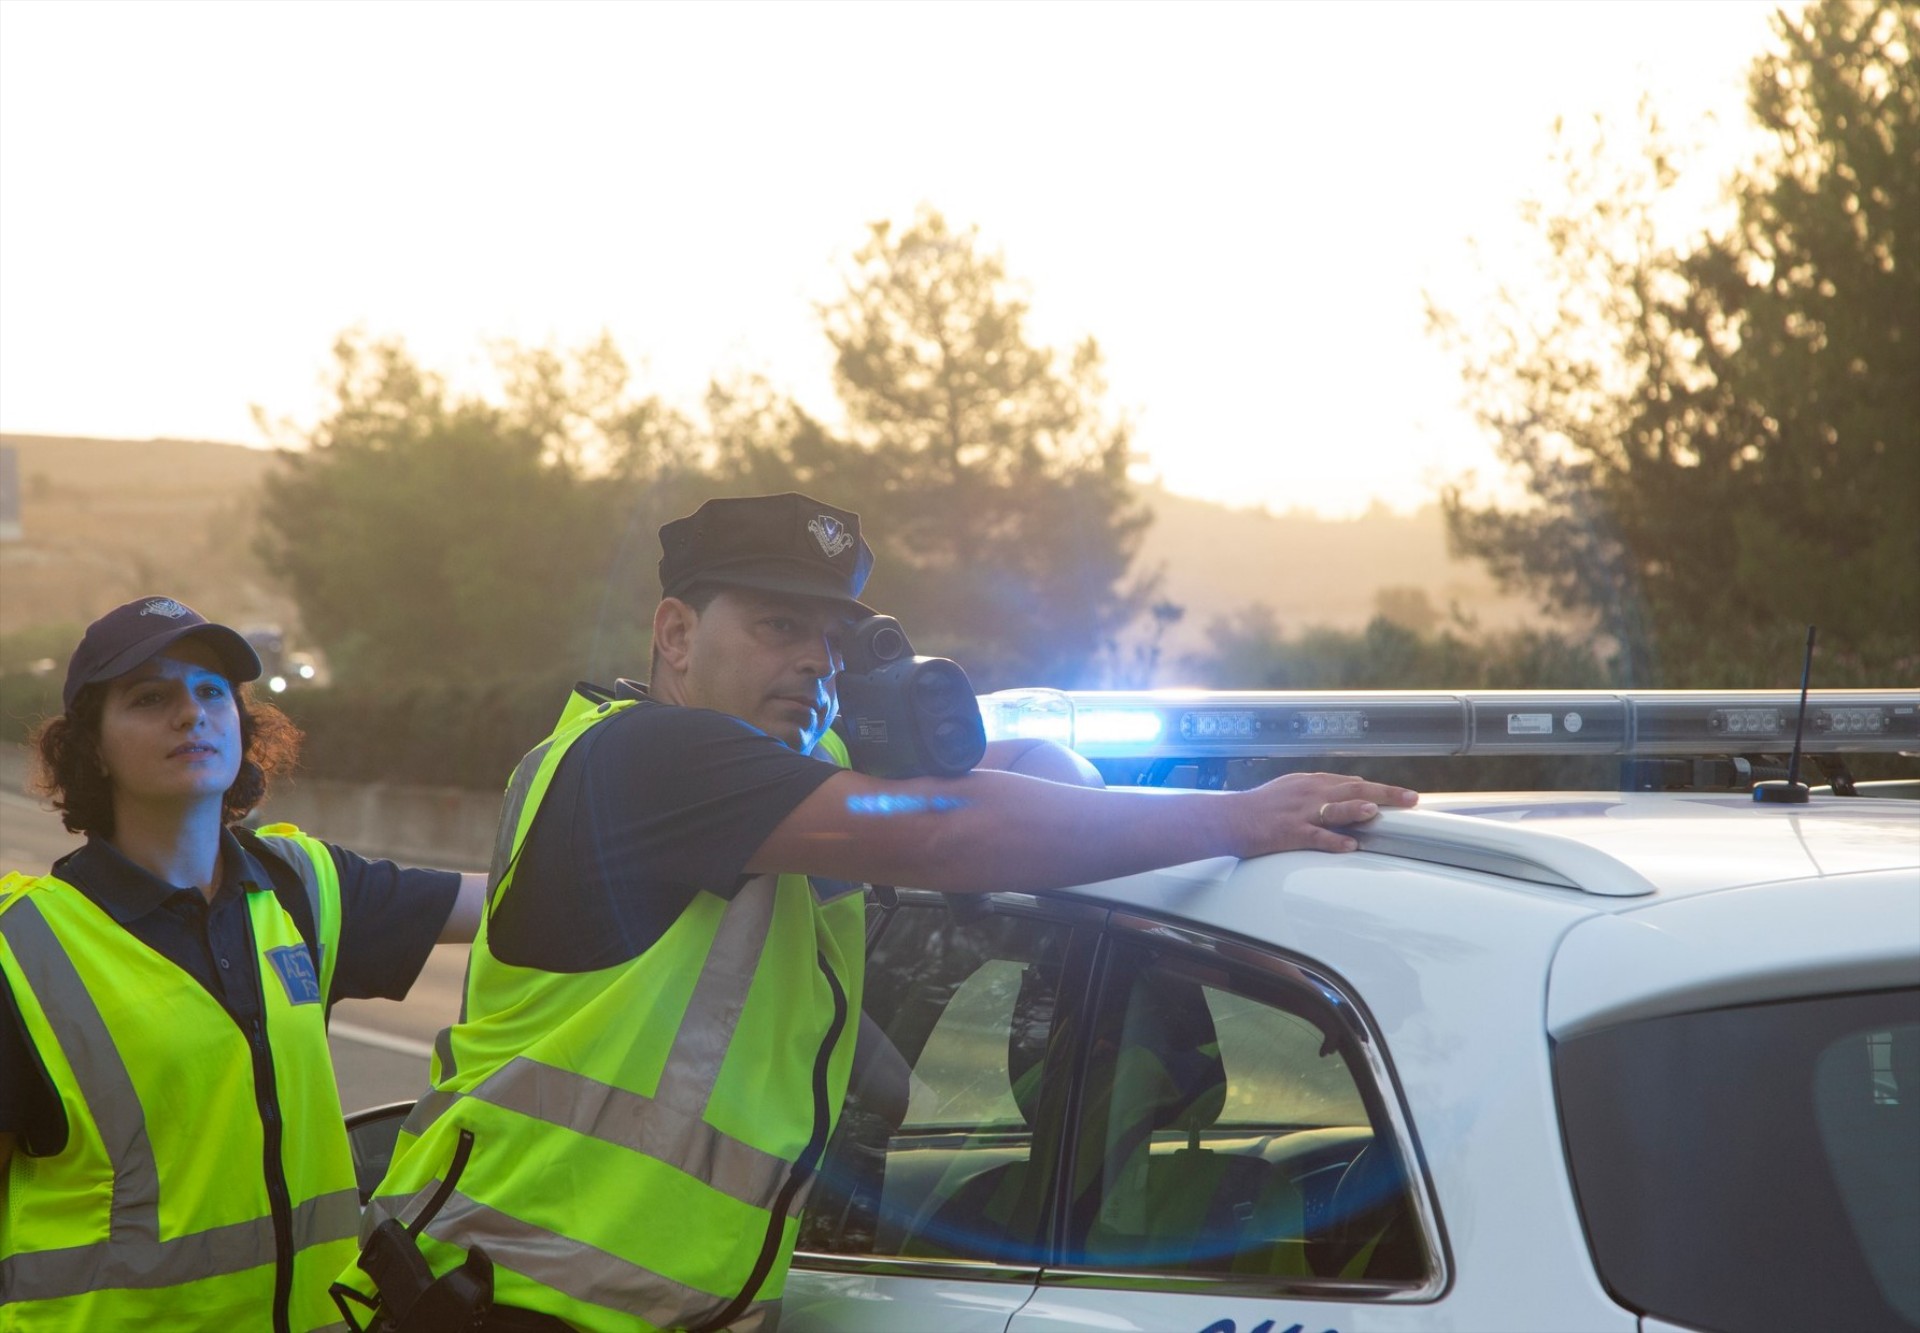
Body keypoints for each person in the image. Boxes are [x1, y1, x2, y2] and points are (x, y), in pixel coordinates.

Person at [338, 493, 1417, 1333]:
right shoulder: (642, 758)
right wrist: (1233, 819)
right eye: (776, 626)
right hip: (509, 1304)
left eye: (833, 640)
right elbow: (946, 832)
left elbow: (1021, 772)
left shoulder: (775, 768)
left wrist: (965, 749)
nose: (813, 660)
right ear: (674, 632)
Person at [0, 595, 487, 1333]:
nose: (191, 713)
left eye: (211, 691)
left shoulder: (302, 887)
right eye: (149, 697)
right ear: (91, 746)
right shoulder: (23, 948)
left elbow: (516, 902)